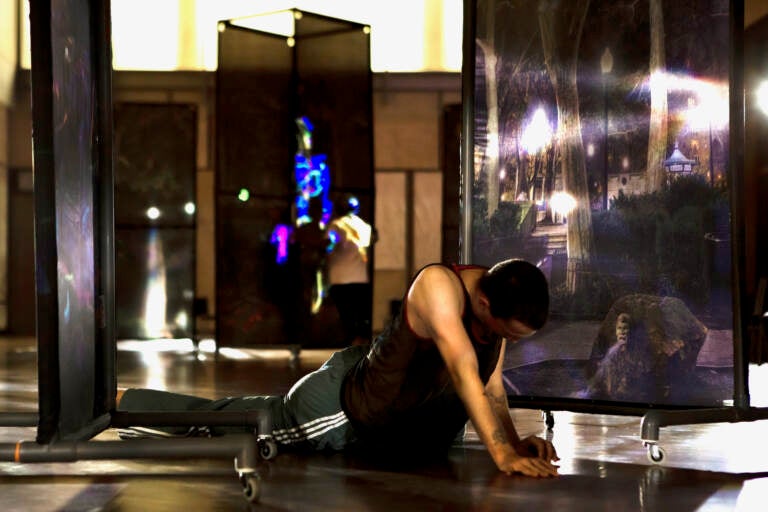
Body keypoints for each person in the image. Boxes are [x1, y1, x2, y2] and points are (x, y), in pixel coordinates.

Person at [117, 258, 560, 478]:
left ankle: (126, 402)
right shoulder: (439, 287)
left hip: (371, 407)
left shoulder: (495, 315)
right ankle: (123, 403)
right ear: (484, 304)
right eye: (512, 334)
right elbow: (464, 371)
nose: (511, 343)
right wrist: (500, 455)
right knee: (228, 423)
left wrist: (517, 445)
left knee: (235, 415)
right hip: (336, 409)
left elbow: (491, 385)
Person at [326, 195, 374, 346]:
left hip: (340, 277)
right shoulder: (364, 226)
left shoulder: (336, 225)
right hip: (360, 277)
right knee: (360, 313)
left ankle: (352, 342)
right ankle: (360, 340)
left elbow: (328, 243)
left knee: (346, 314)